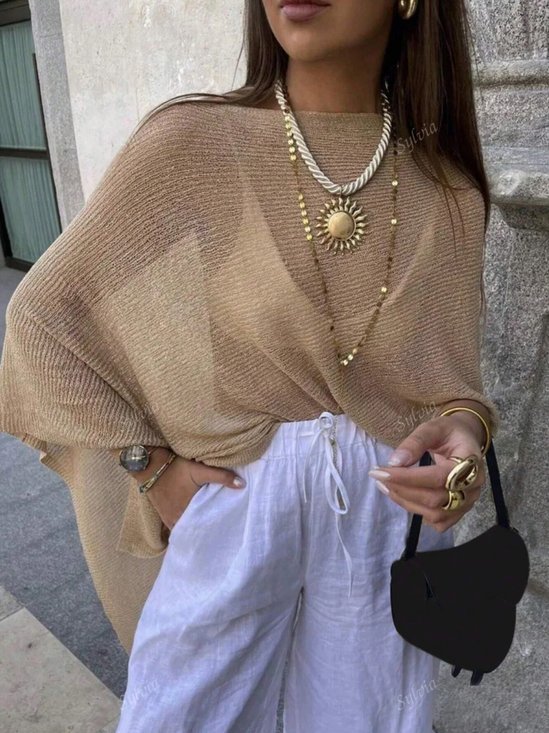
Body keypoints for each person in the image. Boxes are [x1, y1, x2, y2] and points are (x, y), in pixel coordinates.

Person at [0, 0, 500, 731]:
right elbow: (44, 319)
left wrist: (463, 443)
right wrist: (148, 466)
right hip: (237, 503)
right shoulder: (196, 144)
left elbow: (452, 387)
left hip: (385, 523)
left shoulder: (447, 189)